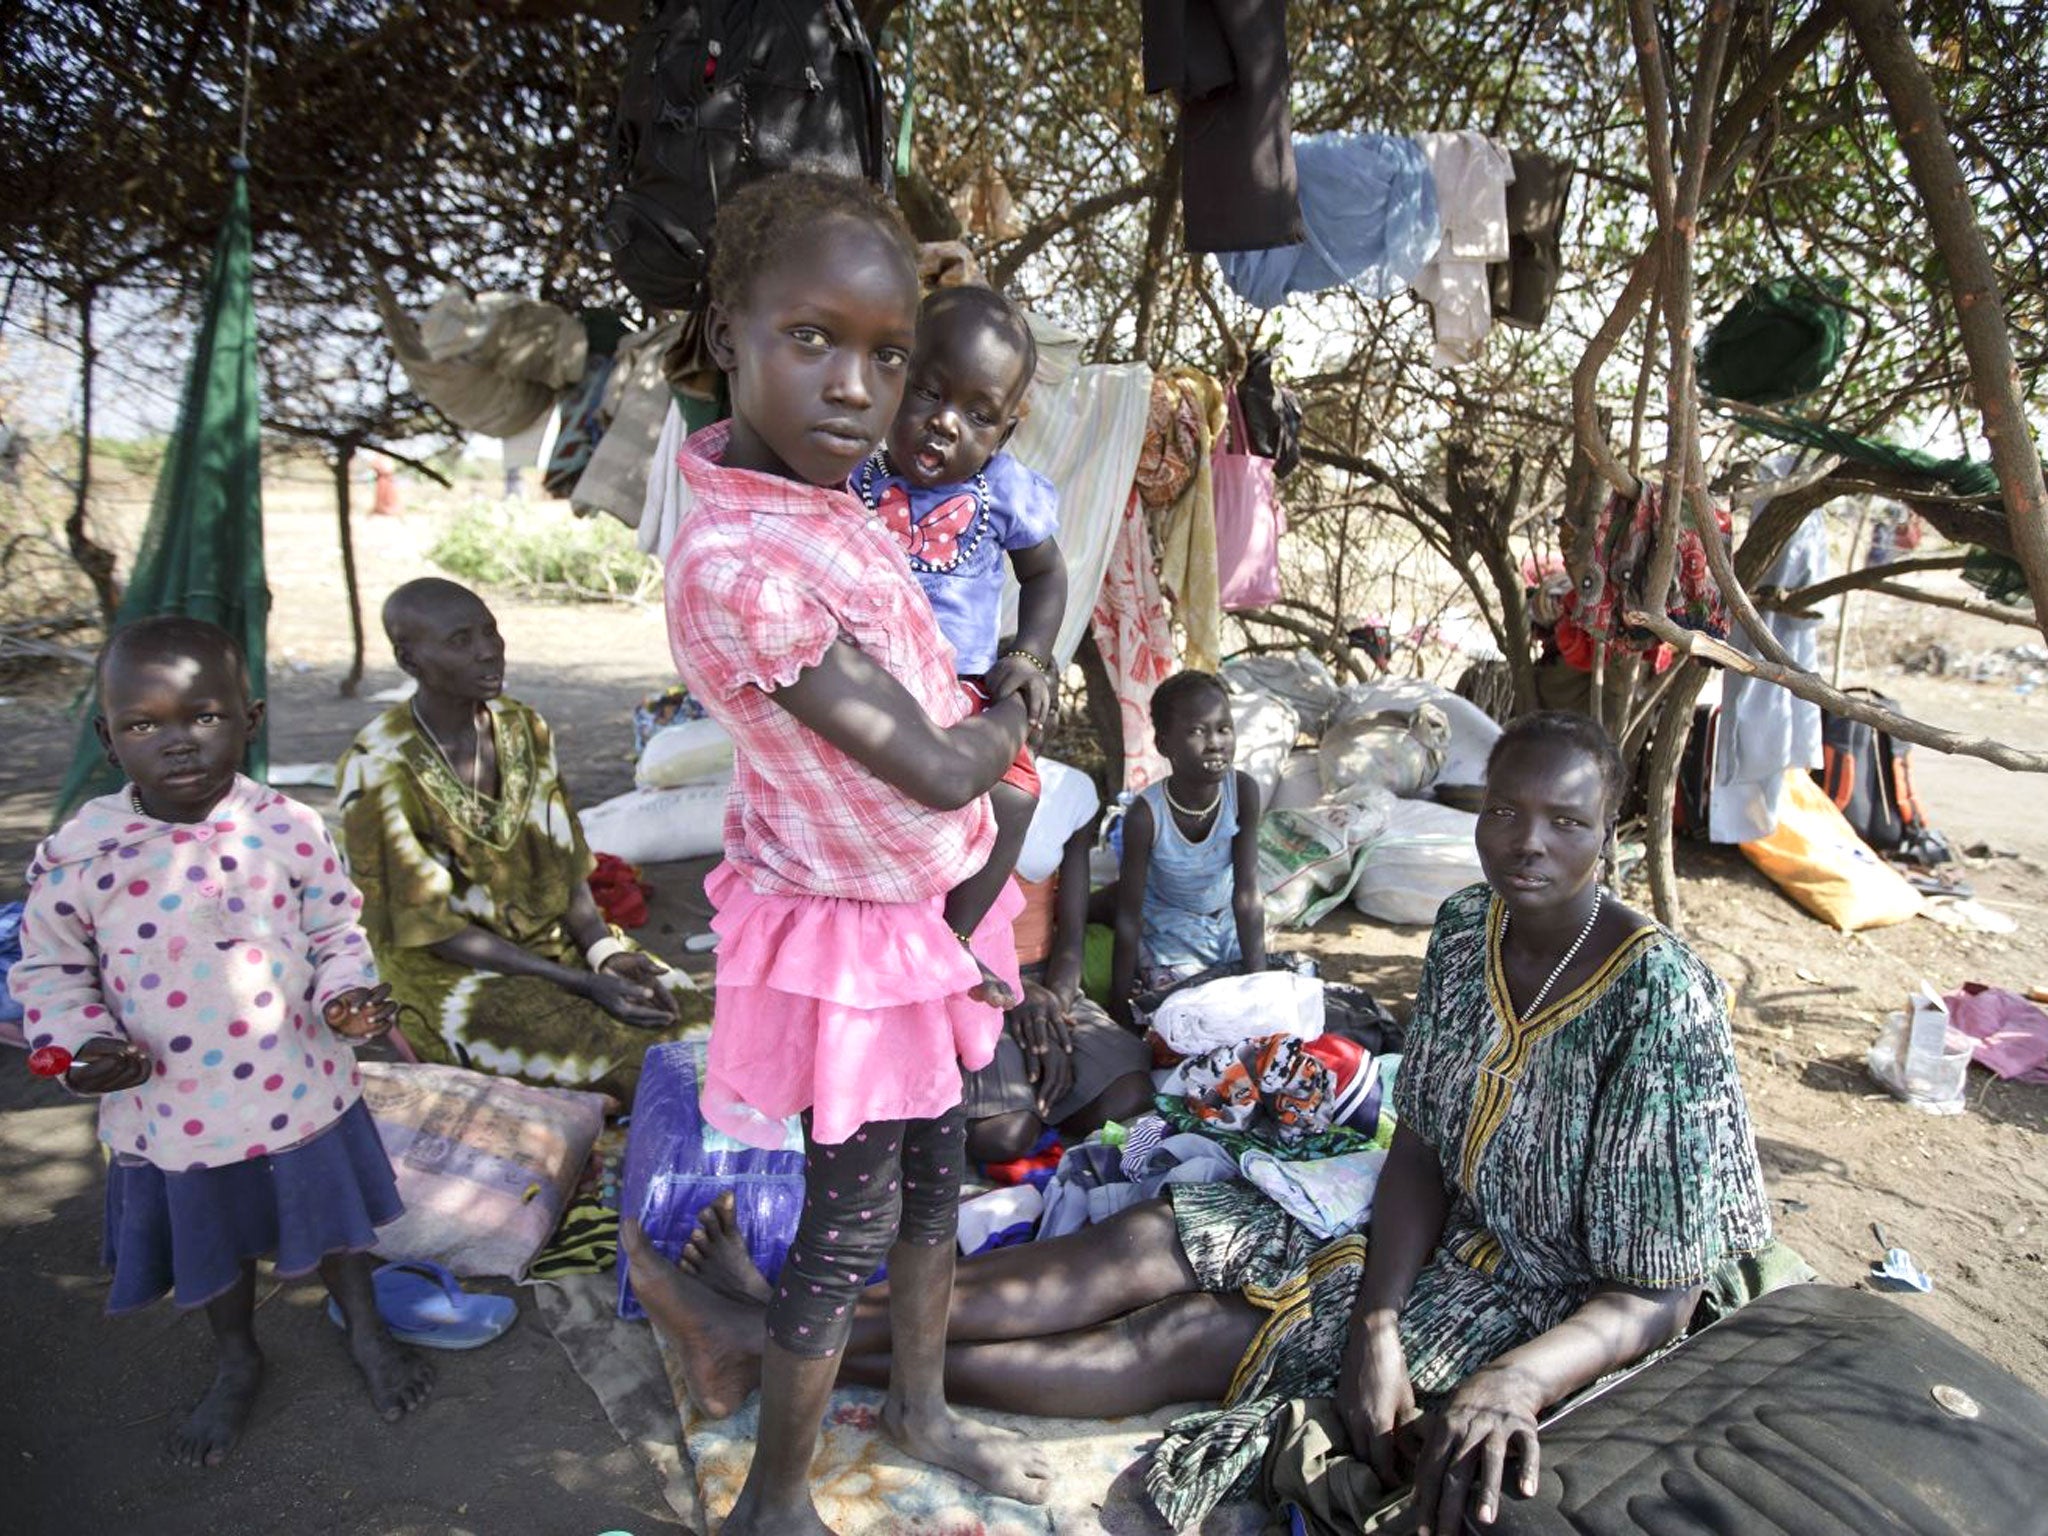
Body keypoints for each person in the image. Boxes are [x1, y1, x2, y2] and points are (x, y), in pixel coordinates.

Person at [624, 711, 1773, 1534]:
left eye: (1564, 823)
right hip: (1410, 1228)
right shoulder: (1470, 926)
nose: (1528, 843)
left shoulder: (1655, 996)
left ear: (1607, 836)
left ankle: (765, 1345)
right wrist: (1375, 1317)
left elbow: (1659, 1288)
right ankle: (781, 1332)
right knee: (1143, 1243)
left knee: (1182, 1338)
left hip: (1544, 1302)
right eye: (1508, 813)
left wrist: (1513, 1385)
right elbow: (1417, 1139)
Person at [653, 170, 1052, 1533]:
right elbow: (940, 761)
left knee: (940, 1177)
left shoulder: (830, 501)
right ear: (726, 335)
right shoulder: (734, 568)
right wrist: (1014, 712)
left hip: (931, 905)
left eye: (888, 353)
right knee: (847, 1221)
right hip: (858, 932)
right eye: (811, 339)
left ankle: (925, 1413)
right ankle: (776, 1498)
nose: (856, 388)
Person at [10, 617, 434, 1467]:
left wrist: (347, 997)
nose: (176, 742)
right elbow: (49, 975)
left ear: (251, 717)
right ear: (107, 737)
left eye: (203, 716)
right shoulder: (82, 856)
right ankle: (238, 1357)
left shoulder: (288, 828)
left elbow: (335, 931)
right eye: (142, 725)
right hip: (174, 1108)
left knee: (337, 1225)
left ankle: (365, 1326)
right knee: (217, 1242)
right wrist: (86, 1049)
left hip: (298, 1085)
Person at [336, 577, 701, 1105]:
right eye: (460, 641)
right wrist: (581, 984)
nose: (488, 651)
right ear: (410, 660)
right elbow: (433, 932)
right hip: (451, 977)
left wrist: (602, 954)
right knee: (636, 1058)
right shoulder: (379, 769)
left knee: (696, 1017)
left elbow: (566, 861)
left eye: (491, 632)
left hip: (556, 948)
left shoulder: (523, 727)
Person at [853, 284, 1067, 1007]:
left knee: (1016, 798)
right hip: (860, 684)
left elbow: (1046, 576)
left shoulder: (1004, 491)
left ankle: (958, 936)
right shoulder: (852, 471)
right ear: (894, 379)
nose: (945, 424)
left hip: (962, 688)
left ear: (1005, 434)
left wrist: (1031, 657)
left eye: (979, 415)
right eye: (929, 392)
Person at [961, 750, 1153, 1164]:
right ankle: (1029, 1094)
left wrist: (1054, 1012)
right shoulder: (946, 780)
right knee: (1004, 1137)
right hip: (968, 981)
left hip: (1048, 983)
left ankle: (1038, 1084)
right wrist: (1014, 994)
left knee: (1130, 1094)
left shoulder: (1071, 790)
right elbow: (944, 927)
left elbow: (1070, 932)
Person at [1110, 669, 1265, 1020]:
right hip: (1170, 926)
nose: (1215, 742)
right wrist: (1118, 1005)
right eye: (1197, 731)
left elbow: (1247, 894)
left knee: (1251, 996)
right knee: (1191, 1011)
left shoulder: (1242, 792)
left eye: (1224, 728)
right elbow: (1129, 915)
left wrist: (1261, 985)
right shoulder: (1145, 816)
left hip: (1226, 921)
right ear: (1163, 744)